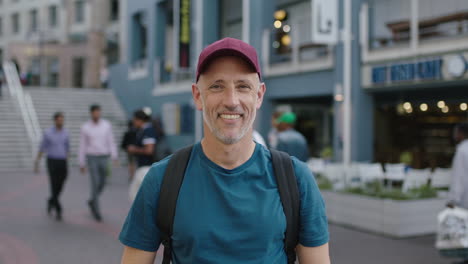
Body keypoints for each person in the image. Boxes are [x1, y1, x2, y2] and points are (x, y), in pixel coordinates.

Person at [119, 38, 330, 263]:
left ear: (258, 96)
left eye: (243, 86)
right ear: (198, 96)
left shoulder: (295, 178)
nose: (231, 101)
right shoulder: (162, 178)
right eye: (217, 86)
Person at [78, 104, 118, 221]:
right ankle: (96, 209)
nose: (96, 114)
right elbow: (82, 145)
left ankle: (92, 200)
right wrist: (82, 162)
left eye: (98, 112)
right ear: (91, 113)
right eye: (94, 112)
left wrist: (114, 155)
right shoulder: (85, 127)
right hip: (92, 157)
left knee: (103, 182)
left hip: (104, 157)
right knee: (94, 183)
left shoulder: (106, 125)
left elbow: (111, 140)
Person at [34, 112, 70, 221]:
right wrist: (37, 161)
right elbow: (42, 147)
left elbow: (67, 148)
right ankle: (58, 208)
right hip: (52, 161)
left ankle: (51, 200)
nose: (61, 121)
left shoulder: (66, 133)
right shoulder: (48, 133)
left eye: (62, 119)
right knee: (54, 184)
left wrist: (67, 160)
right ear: (55, 121)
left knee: (61, 183)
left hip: (62, 161)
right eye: (59, 120)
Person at [448, 123, 468, 209]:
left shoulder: (462, 150)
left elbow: (459, 176)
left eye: (455, 132)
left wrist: (453, 199)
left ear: (461, 133)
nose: (454, 135)